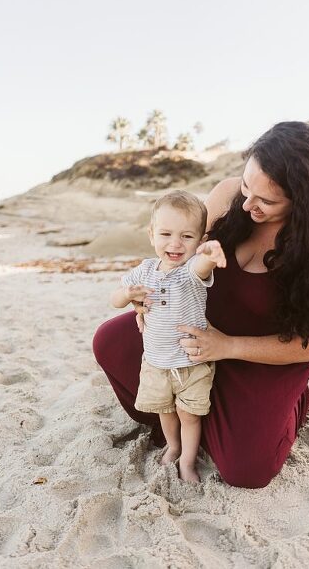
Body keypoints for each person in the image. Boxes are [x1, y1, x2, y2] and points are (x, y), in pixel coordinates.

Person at [94, 121, 309, 488]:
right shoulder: (227, 195)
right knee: (110, 341)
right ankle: (186, 423)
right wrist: (148, 302)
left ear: (304, 200)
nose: (248, 203)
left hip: (258, 358)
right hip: (192, 340)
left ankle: (295, 404)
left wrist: (227, 346)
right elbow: (177, 254)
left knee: (246, 472)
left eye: (267, 200)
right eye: (248, 186)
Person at [110, 190, 227, 483]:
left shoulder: (190, 270)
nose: (175, 243)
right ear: (151, 235)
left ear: (199, 241)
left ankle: (188, 461)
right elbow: (115, 300)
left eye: (187, 237)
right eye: (165, 234)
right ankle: (173, 446)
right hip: (155, 363)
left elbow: (202, 267)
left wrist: (210, 257)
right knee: (166, 411)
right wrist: (127, 294)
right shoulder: (145, 270)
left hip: (190, 365)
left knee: (189, 415)